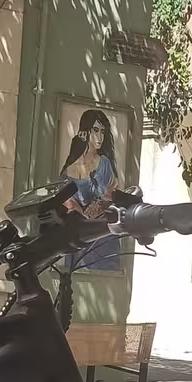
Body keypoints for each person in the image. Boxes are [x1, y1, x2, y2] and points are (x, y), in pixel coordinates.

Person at [60, 107, 120, 272]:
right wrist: (82, 214)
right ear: (85, 131)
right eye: (95, 130)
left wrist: (101, 204)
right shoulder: (69, 170)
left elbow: (112, 194)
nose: (99, 136)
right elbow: (69, 203)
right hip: (79, 236)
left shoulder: (105, 163)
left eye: (102, 131)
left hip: (103, 235)